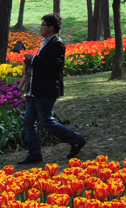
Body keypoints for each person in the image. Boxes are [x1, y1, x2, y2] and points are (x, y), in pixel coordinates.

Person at [18, 13, 86, 165]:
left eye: (43, 24)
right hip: (35, 90)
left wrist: (34, 59)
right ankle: (35, 154)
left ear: (51, 27)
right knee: (28, 123)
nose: (40, 27)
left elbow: (54, 66)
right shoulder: (46, 42)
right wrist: (31, 62)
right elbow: (43, 64)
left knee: (47, 122)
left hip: (46, 90)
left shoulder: (57, 44)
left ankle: (77, 140)